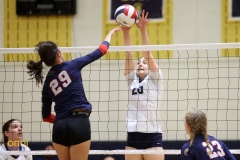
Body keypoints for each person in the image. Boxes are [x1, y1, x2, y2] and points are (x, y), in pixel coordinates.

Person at [26, 27, 120, 160]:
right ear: (58, 53)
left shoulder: (47, 82)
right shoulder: (72, 65)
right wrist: (110, 33)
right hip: (79, 122)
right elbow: (102, 50)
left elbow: (46, 117)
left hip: (59, 127)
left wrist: (61, 120)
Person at [121, 10, 164, 160]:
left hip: (152, 134)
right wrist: (126, 31)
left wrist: (143, 29)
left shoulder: (156, 78)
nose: (140, 64)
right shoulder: (131, 79)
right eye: (138, 62)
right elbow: (128, 54)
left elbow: (147, 53)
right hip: (133, 134)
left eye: (144, 62)